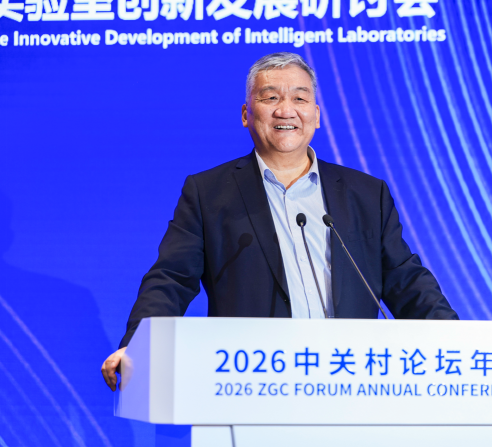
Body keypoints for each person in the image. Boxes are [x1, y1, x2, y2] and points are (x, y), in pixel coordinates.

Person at [101, 52, 458, 391]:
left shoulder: (365, 193)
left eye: (300, 99)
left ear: (316, 115)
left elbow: (405, 279)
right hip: (252, 382)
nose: (286, 110)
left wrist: (460, 341)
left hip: (350, 377)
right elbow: (171, 278)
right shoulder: (209, 192)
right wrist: (138, 346)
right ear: (246, 114)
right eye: (270, 97)